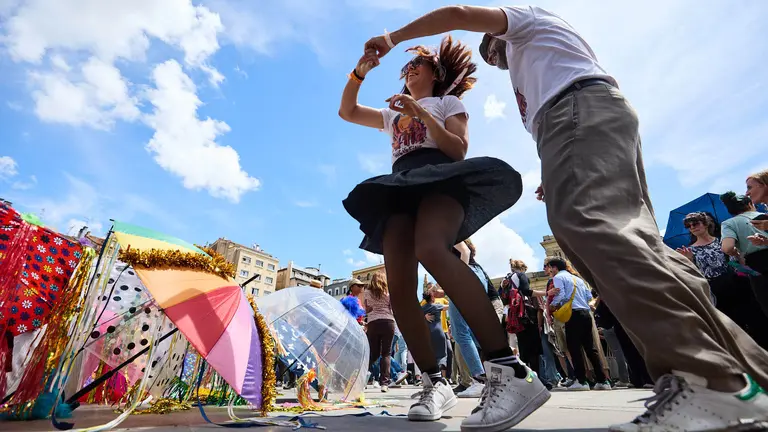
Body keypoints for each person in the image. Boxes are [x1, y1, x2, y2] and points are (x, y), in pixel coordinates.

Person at [363, 5, 768, 431]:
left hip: (576, 110)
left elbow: (458, 13)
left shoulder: (523, 22)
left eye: (492, 48)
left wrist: (391, 39)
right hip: (575, 121)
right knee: (630, 243)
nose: (494, 57)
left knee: (595, 231)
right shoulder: (531, 61)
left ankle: (708, 381)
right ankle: (747, 377)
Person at [340, 32, 528, 424]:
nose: (408, 70)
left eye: (416, 64)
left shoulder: (447, 102)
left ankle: (508, 369)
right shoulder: (392, 114)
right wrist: (360, 71)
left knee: (431, 248)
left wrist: (422, 112)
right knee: (401, 287)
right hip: (398, 190)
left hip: (441, 181)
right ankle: (433, 381)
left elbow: (457, 150)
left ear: (434, 73)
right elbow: (348, 112)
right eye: (405, 67)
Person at [676, 211, 768, 348]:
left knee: (758, 321)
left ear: (706, 223)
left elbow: (736, 264)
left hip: (738, 284)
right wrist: (689, 261)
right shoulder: (690, 251)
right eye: (688, 226)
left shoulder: (723, 241)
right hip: (718, 291)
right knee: (735, 329)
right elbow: (696, 276)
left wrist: (753, 273)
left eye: (695, 223)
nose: (692, 227)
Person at [546, 257, 612, 391]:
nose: (549, 270)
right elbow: (589, 297)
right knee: (590, 348)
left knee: (574, 348)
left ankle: (581, 381)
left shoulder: (558, 278)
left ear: (554, 267)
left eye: (549, 267)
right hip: (586, 313)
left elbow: (561, 295)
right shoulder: (578, 279)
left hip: (572, 314)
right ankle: (603, 381)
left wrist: (553, 306)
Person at [720, 192, 768, 319]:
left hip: (757, 266)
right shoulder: (764, 215)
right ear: (749, 203)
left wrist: (735, 252)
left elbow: (727, 247)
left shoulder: (729, 223)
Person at [363, 273, 396, 392]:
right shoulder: (388, 291)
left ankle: (361, 377)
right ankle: (384, 384)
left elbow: (366, 309)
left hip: (373, 323)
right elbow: (392, 307)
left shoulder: (367, 292)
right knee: (386, 353)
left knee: (373, 353)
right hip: (388, 322)